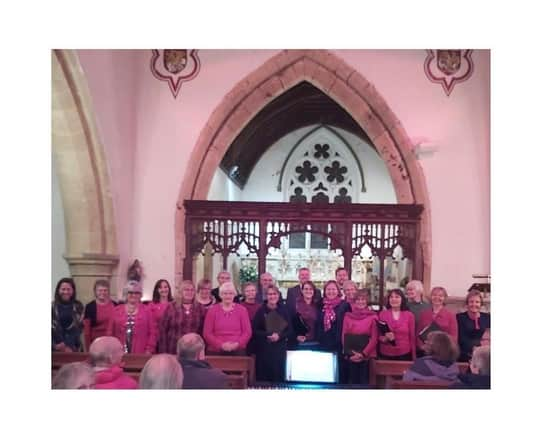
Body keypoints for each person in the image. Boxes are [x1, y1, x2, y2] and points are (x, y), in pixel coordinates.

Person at [252, 285, 292, 382]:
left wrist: (279, 336)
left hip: (280, 350)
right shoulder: (261, 311)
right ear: (266, 296)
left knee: (279, 377)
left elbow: (290, 330)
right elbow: (254, 330)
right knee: (264, 379)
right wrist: (267, 335)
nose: (272, 296)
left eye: (274, 294)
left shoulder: (284, 311)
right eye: (270, 294)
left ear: (278, 295)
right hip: (264, 350)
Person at [203, 281, 252, 355]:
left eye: (230, 293)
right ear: (220, 295)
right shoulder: (212, 310)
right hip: (216, 350)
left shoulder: (242, 310)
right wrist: (221, 345)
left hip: (238, 349)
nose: (228, 296)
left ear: (234, 295)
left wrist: (236, 344)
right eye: (225, 293)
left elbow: (247, 332)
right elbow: (207, 333)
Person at [158, 280, 205, 354]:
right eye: (186, 290)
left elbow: (203, 332)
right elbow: (163, 331)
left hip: (194, 351)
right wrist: (163, 352)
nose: (189, 292)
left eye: (192, 290)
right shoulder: (171, 307)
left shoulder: (200, 308)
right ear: (180, 292)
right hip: (173, 350)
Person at [341, 289, 378, 384]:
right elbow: (343, 335)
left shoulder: (373, 317)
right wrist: (350, 353)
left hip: (367, 357)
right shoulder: (348, 316)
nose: (360, 302)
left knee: (364, 384)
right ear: (354, 301)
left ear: (367, 301)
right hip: (351, 356)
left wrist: (363, 354)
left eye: (363, 299)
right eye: (358, 299)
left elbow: (374, 338)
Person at [110, 281, 156, 354]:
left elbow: (153, 333)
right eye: (130, 292)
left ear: (140, 295)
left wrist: (149, 350)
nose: (133, 295)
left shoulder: (147, 311)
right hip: (118, 353)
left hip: (141, 353)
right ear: (126, 294)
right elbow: (110, 333)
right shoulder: (116, 310)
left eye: (137, 293)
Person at [416, 286, 458, 356]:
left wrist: (445, 349)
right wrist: (422, 347)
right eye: (434, 295)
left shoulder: (450, 315)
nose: (437, 297)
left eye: (440, 295)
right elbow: (418, 333)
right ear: (431, 297)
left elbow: (454, 337)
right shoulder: (424, 314)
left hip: (444, 352)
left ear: (444, 298)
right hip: (426, 352)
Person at [378, 288, 416, 360]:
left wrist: (414, 357)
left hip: (404, 353)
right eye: (391, 297)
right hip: (386, 353)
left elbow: (412, 337)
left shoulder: (409, 315)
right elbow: (379, 335)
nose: (393, 299)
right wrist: (385, 338)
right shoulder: (382, 314)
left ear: (402, 299)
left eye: (397, 297)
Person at [456, 290, 490, 362]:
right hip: (465, 354)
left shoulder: (488, 317)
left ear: (481, 304)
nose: (474, 304)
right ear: (467, 304)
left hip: (484, 354)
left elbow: (489, 338)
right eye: (471, 302)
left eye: (477, 302)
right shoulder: (459, 318)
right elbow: (461, 339)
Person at [83, 279, 117, 351]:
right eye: (100, 290)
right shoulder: (90, 307)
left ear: (108, 291)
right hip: (96, 344)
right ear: (95, 292)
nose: (103, 293)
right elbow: (87, 331)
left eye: (105, 290)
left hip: (112, 343)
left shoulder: (115, 305)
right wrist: (88, 348)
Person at [52, 277, 84, 352]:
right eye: (63, 289)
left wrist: (69, 346)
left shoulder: (78, 306)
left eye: (68, 289)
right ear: (58, 290)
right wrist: (57, 345)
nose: (66, 292)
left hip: (74, 347)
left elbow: (79, 328)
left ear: (73, 291)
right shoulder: (52, 307)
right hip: (55, 348)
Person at [290, 280, 321, 349]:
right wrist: (296, 336)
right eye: (306, 289)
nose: (308, 291)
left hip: (315, 341)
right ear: (302, 290)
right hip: (299, 342)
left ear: (314, 291)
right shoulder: (295, 304)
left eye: (310, 289)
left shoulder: (318, 305)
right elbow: (290, 323)